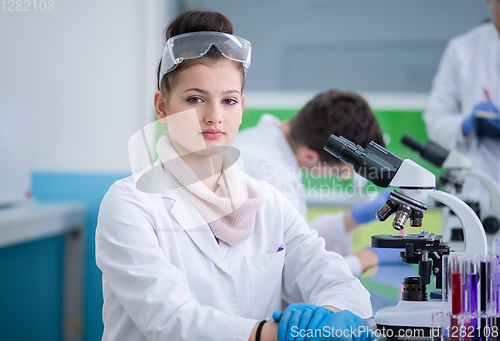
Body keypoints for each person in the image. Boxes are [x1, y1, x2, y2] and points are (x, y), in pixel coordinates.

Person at [95, 10, 374, 341]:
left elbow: (334, 279)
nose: (214, 116)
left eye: (228, 100)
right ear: (162, 107)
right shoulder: (131, 203)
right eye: (195, 99)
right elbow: (171, 321)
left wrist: (335, 316)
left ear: (242, 107)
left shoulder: (269, 203)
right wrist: (283, 334)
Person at [233, 90, 397, 277]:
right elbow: (290, 269)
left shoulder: (262, 144)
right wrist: (365, 258)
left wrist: (355, 217)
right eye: (340, 173)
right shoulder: (268, 176)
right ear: (309, 155)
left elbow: (297, 235)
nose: (336, 177)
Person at [423, 0, 500, 237]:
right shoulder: (463, 50)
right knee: (466, 268)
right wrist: (467, 126)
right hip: (473, 193)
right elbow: (435, 121)